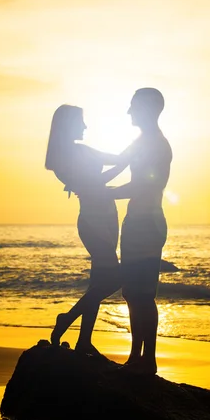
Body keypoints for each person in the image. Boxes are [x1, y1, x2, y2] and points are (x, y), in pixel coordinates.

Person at [45, 104, 127, 353]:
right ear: (68, 124)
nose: (85, 126)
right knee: (116, 278)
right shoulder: (61, 160)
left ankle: (84, 341)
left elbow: (114, 158)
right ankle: (67, 318)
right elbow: (95, 182)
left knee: (98, 282)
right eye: (80, 121)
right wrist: (128, 162)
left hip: (108, 217)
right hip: (93, 222)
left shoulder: (82, 150)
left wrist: (132, 155)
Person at [111, 88, 172, 375]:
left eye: (133, 106)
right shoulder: (140, 142)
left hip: (147, 223)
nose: (128, 112)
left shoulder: (157, 145)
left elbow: (145, 185)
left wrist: (104, 194)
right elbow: (114, 163)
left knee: (144, 294)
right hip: (136, 221)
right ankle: (136, 355)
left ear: (147, 109)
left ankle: (148, 359)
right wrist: (83, 180)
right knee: (133, 293)